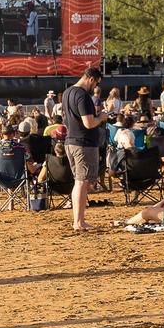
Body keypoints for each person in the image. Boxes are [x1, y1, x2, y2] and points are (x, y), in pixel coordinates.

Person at [62, 67, 110, 231]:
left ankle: (79, 220)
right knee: (82, 182)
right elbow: (89, 123)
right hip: (83, 143)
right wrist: (101, 117)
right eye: (96, 83)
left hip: (71, 141)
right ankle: (79, 222)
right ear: (91, 79)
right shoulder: (83, 95)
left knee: (79, 181)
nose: (95, 87)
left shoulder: (68, 92)